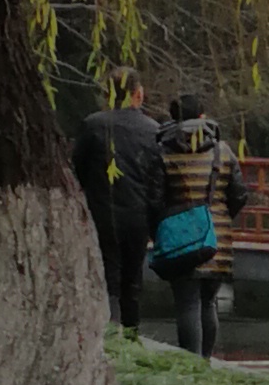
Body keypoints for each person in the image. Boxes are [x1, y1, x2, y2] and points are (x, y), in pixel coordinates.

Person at [153, 92, 249, 359]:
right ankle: (204, 363)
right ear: (203, 117)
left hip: (179, 239)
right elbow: (239, 194)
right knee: (208, 302)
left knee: (187, 303)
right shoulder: (223, 151)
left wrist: (162, 228)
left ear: (174, 118)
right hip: (215, 238)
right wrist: (220, 217)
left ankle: (191, 364)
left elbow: (155, 199)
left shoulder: (164, 152)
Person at [71, 76, 165, 332]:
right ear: (138, 94)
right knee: (132, 280)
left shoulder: (93, 125)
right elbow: (158, 179)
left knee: (107, 278)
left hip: (102, 212)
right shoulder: (154, 131)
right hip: (138, 215)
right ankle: (132, 334)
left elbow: (77, 169)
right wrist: (155, 218)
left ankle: (109, 333)